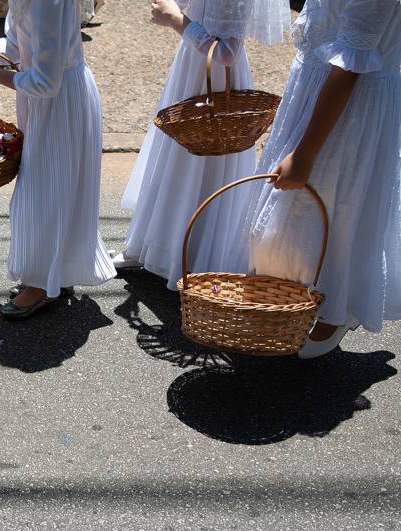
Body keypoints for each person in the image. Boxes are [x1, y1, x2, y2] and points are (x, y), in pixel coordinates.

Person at [228, 0, 400, 358]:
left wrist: (305, 153)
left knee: (336, 204)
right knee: (294, 215)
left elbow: (350, 68)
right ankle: (301, 295)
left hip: (350, 105)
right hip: (315, 91)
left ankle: (340, 302)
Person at [0, 0, 116, 319]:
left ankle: (40, 283)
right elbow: (25, 47)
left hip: (58, 102)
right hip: (50, 99)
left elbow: (44, 83)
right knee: (53, 189)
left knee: (43, 193)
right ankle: (53, 273)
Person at [110, 0, 292, 291]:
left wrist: (176, 20)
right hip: (191, 66)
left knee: (204, 160)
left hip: (215, 79)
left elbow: (227, 53)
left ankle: (195, 256)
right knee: (176, 157)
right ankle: (151, 246)